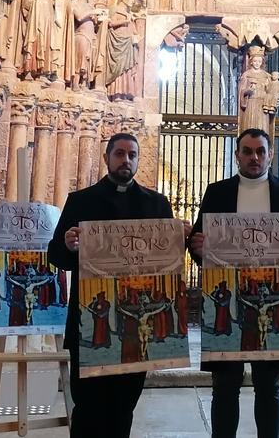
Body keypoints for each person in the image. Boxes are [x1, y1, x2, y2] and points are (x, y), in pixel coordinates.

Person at [48, 133, 190, 438]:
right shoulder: (81, 201)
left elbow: (167, 264)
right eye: (120, 154)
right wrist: (69, 246)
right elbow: (55, 255)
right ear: (107, 158)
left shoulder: (157, 204)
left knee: (125, 405)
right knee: (87, 406)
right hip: (89, 325)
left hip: (135, 325)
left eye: (132, 155)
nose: (126, 160)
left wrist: (184, 240)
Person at [188, 128, 279, 438]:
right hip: (229, 297)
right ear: (237, 156)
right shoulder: (217, 192)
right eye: (247, 151)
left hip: (270, 297)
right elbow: (196, 239)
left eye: (260, 151)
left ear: (270, 154)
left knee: (269, 387)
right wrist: (198, 246)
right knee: (224, 387)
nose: (254, 157)